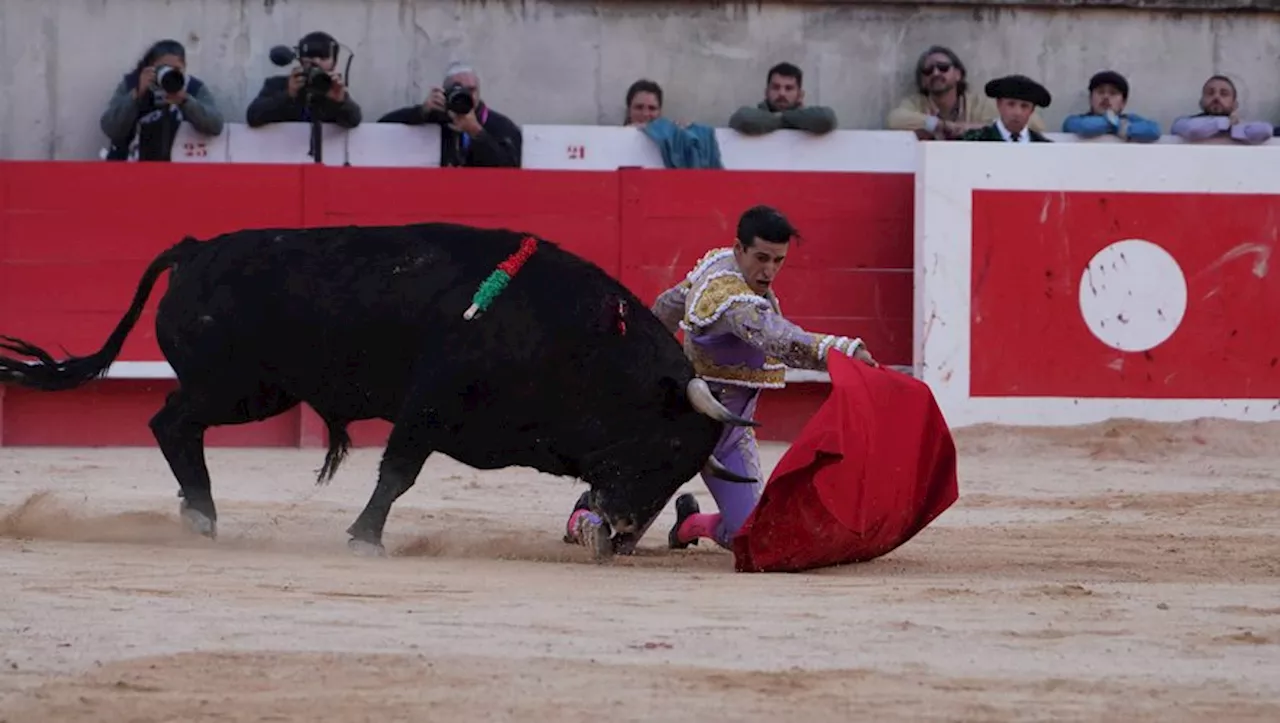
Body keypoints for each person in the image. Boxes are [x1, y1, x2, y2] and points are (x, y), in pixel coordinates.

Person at [562, 205, 877, 554]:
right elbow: (779, 339)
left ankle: (689, 525)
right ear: (739, 248)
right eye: (761, 258)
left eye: (778, 260)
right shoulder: (729, 298)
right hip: (678, 429)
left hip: (729, 433)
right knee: (620, 540)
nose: (769, 270)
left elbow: (669, 304)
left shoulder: (718, 268)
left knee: (750, 538)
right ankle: (582, 518)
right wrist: (843, 351)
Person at [99, 39, 224, 161]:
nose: (169, 74)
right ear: (150, 67)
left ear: (184, 67)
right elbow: (110, 128)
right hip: (133, 168)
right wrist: (137, 94)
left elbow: (216, 125)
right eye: (163, 68)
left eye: (176, 69)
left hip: (179, 170)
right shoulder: (133, 83)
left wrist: (186, 101)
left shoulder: (193, 88)